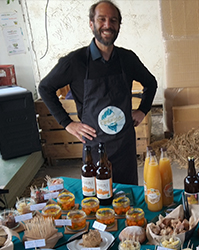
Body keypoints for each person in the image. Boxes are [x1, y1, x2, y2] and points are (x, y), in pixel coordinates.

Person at [39, 0, 157, 185]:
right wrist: (67, 123)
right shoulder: (75, 62)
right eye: (102, 19)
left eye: (113, 20)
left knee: (127, 195)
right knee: (99, 198)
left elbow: (151, 83)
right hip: (95, 147)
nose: (107, 25)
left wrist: (142, 110)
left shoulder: (127, 59)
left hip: (124, 145)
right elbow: (45, 88)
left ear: (119, 25)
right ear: (91, 23)